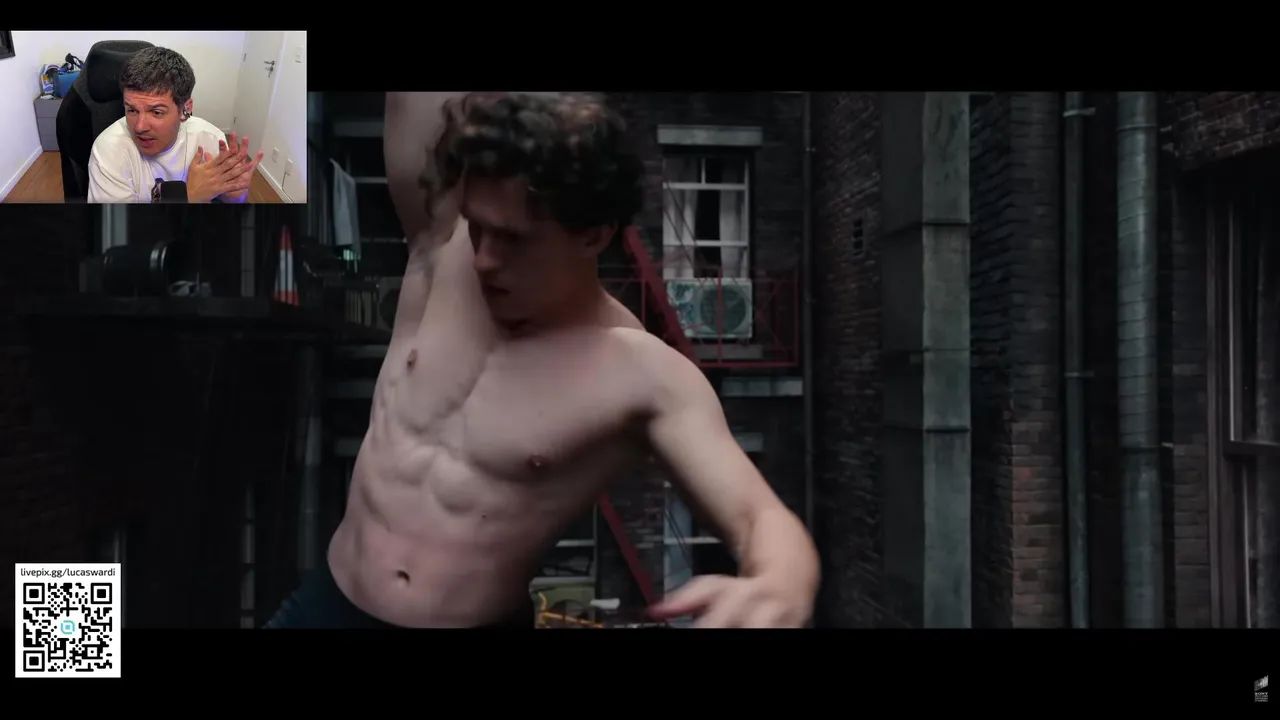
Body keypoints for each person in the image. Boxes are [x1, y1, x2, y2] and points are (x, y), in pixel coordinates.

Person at [265, 92, 820, 629]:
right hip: (327, 605)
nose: (483, 259)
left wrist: (781, 582)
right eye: (478, 228)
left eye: (512, 240)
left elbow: (760, 517)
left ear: (593, 236)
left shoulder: (642, 375)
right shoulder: (442, 243)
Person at [86, 46, 263, 204]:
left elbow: (232, 200)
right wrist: (190, 197)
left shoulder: (209, 139)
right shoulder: (109, 149)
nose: (139, 127)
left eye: (156, 112)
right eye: (132, 110)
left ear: (185, 109)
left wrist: (235, 195)